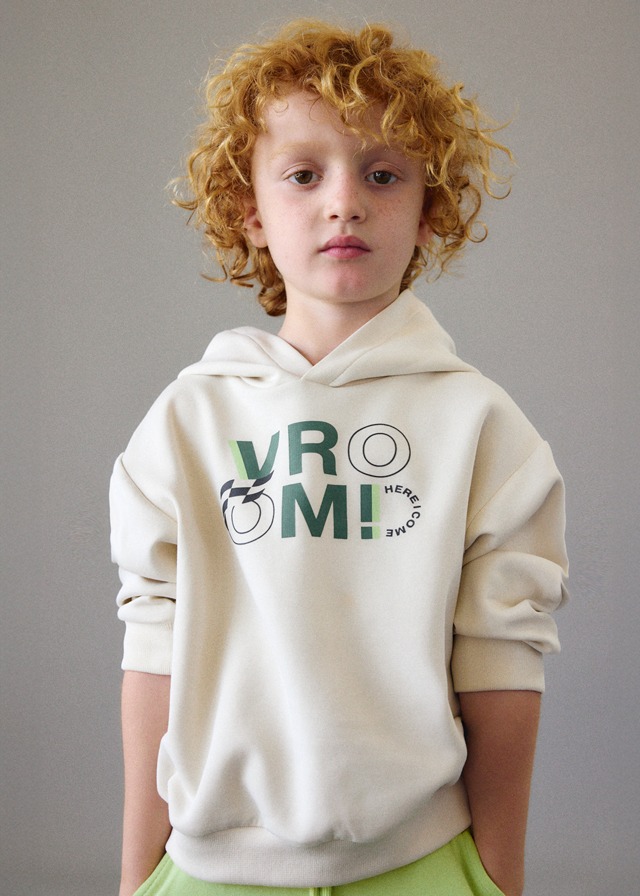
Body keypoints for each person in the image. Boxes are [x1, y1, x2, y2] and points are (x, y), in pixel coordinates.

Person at [110, 19, 568, 896]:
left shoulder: (483, 426)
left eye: (383, 174)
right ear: (250, 211)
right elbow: (153, 652)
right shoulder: (185, 422)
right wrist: (137, 880)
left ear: (429, 212)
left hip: (424, 865)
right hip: (208, 871)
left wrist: (497, 878)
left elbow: (503, 660)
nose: (345, 202)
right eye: (303, 174)